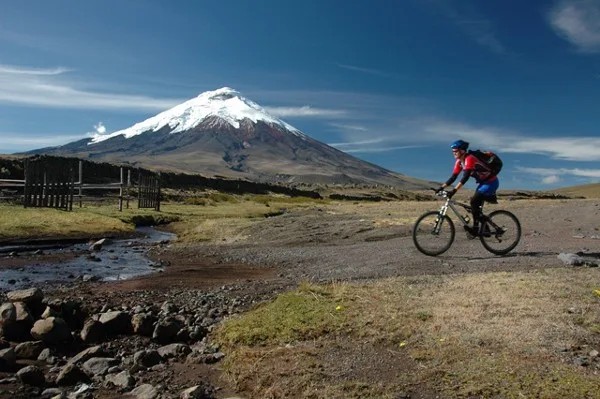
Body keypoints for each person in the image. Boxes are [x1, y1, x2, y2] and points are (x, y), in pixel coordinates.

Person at [438, 139, 499, 236]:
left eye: (455, 150)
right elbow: (453, 177)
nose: (453, 152)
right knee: (474, 208)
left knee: (474, 202)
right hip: (483, 183)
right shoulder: (459, 162)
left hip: (491, 182)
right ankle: (485, 229)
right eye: (452, 151)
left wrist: (454, 191)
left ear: (462, 151)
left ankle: (476, 229)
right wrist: (441, 187)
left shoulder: (469, 158)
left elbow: (465, 178)